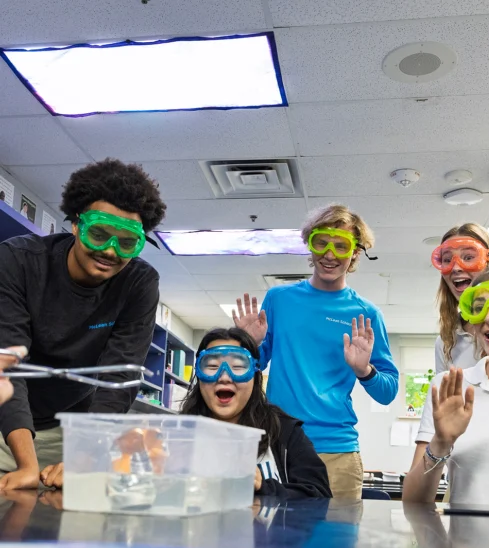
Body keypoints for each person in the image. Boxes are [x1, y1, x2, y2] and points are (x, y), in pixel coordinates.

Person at [0, 158, 166, 491]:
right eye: (99, 234)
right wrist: (28, 465)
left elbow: (119, 376)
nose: (110, 251)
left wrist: (84, 458)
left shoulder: (140, 283)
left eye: (127, 242)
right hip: (5, 417)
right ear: (76, 225)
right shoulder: (18, 260)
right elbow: (7, 367)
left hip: (68, 427)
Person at [233, 205, 398, 500]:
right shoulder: (279, 299)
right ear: (309, 245)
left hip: (336, 450)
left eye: (341, 245)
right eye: (321, 242)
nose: (330, 254)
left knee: (333, 546)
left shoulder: (366, 314)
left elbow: (388, 391)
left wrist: (365, 371)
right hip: (278, 444)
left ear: (355, 253)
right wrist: (248, 344)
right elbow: (249, 371)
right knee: (274, 542)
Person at [181, 327, 331, 500]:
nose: (224, 377)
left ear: (255, 376)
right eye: (212, 366)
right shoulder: (180, 435)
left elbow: (320, 495)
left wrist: (263, 486)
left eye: (237, 367)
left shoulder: (284, 430)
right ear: (199, 376)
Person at [403, 264, 489, 504]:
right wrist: (441, 444)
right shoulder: (450, 387)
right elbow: (413, 500)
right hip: (464, 540)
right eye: (479, 308)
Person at [432, 223, 489, 374]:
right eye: (447, 260)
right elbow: (441, 395)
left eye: (468, 257)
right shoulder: (446, 342)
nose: (456, 267)